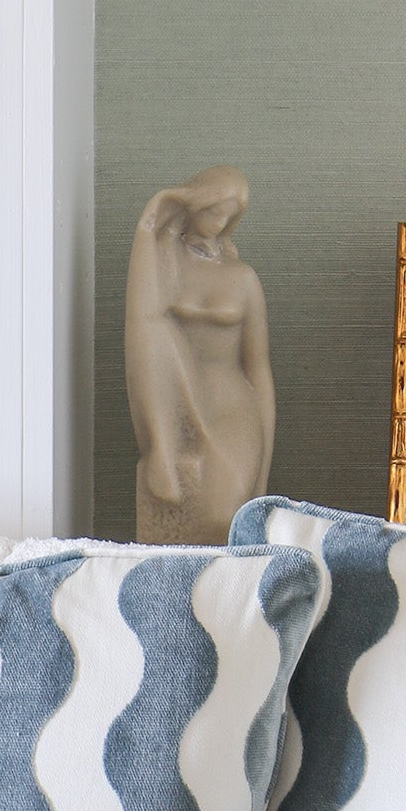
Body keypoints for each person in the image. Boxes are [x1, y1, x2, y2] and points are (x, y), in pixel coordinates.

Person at [124, 165, 275, 544]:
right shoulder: (164, 265)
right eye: (213, 210)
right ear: (194, 204)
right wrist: (153, 217)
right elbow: (140, 327)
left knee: (223, 515)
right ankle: (163, 447)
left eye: (229, 214)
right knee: (154, 329)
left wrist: (264, 466)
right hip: (173, 395)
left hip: (233, 408)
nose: (220, 221)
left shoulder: (243, 279)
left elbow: (258, 369)